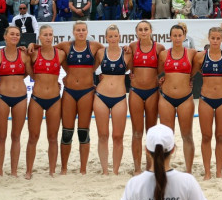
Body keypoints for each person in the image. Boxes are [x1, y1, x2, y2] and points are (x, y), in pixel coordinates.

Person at [39, 21, 104, 174]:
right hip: (69, 91)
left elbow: (109, 54)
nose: (81, 32)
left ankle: (82, 169)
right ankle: (64, 168)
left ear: (87, 32)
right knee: (67, 132)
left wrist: (94, 72)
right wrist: (33, 47)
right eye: (78, 30)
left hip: (87, 91)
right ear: (73, 32)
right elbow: (47, 50)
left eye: (83, 30)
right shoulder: (66, 46)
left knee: (83, 131)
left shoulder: (94, 46)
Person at [191, 27, 222, 180]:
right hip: (205, 99)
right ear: (208, 39)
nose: (215, 41)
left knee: (221, 136)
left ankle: (219, 171)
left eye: (218, 38)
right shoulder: (200, 57)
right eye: (213, 38)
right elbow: (190, 74)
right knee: (206, 136)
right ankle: (207, 172)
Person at [26, 25, 66, 179]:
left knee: (53, 137)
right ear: (40, 37)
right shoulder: (33, 53)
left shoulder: (60, 54)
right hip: (37, 98)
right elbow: (27, 68)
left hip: (55, 99)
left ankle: (51, 171)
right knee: (33, 136)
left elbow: (72, 70)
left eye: (50, 34)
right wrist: (32, 45)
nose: (48, 37)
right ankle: (29, 171)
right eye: (45, 35)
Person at [0, 26, 32, 177]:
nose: (15, 36)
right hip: (2, 97)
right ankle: (0, 171)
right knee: (1, 136)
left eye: (17, 34)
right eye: (12, 34)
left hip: (21, 97)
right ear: (5, 36)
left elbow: (31, 73)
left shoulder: (24, 55)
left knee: (16, 136)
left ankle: (14, 171)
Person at [128, 21, 166, 174]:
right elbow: (127, 67)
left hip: (152, 92)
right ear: (136, 32)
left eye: (146, 29)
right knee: (136, 132)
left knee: (151, 132)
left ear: (151, 31)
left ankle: (150, 166)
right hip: (136, 91)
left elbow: (162, 71)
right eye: (140, 30)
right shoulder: (132, 47)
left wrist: (162, 80)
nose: (143, 32)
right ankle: (137, 168)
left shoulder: (159, 48)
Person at [158, 25, 197, 173]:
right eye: (174, 35)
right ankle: (165, 167)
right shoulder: (163, 54)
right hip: (166, 98)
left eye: (179, 35)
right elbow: (155, 72)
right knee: (166, 136)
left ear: (184, 35)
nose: (177, 38)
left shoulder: (192, 53)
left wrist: (190, 77)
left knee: (187, 135)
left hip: (185, 98)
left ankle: (189, 170)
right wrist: (160, 80)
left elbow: (201, 65)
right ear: (170, 37)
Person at [93, 25, 132, 175]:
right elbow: (89, 69)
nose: (113, 39)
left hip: (120, 97)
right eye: (110, 36)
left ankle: (115, 170)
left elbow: (136, 72)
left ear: (119, 36)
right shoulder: (101, 53)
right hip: (101, 96)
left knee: (118, 136)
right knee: (103, 135)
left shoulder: (127, 53)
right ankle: (105, 170)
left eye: (116, 36)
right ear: (106, 38)